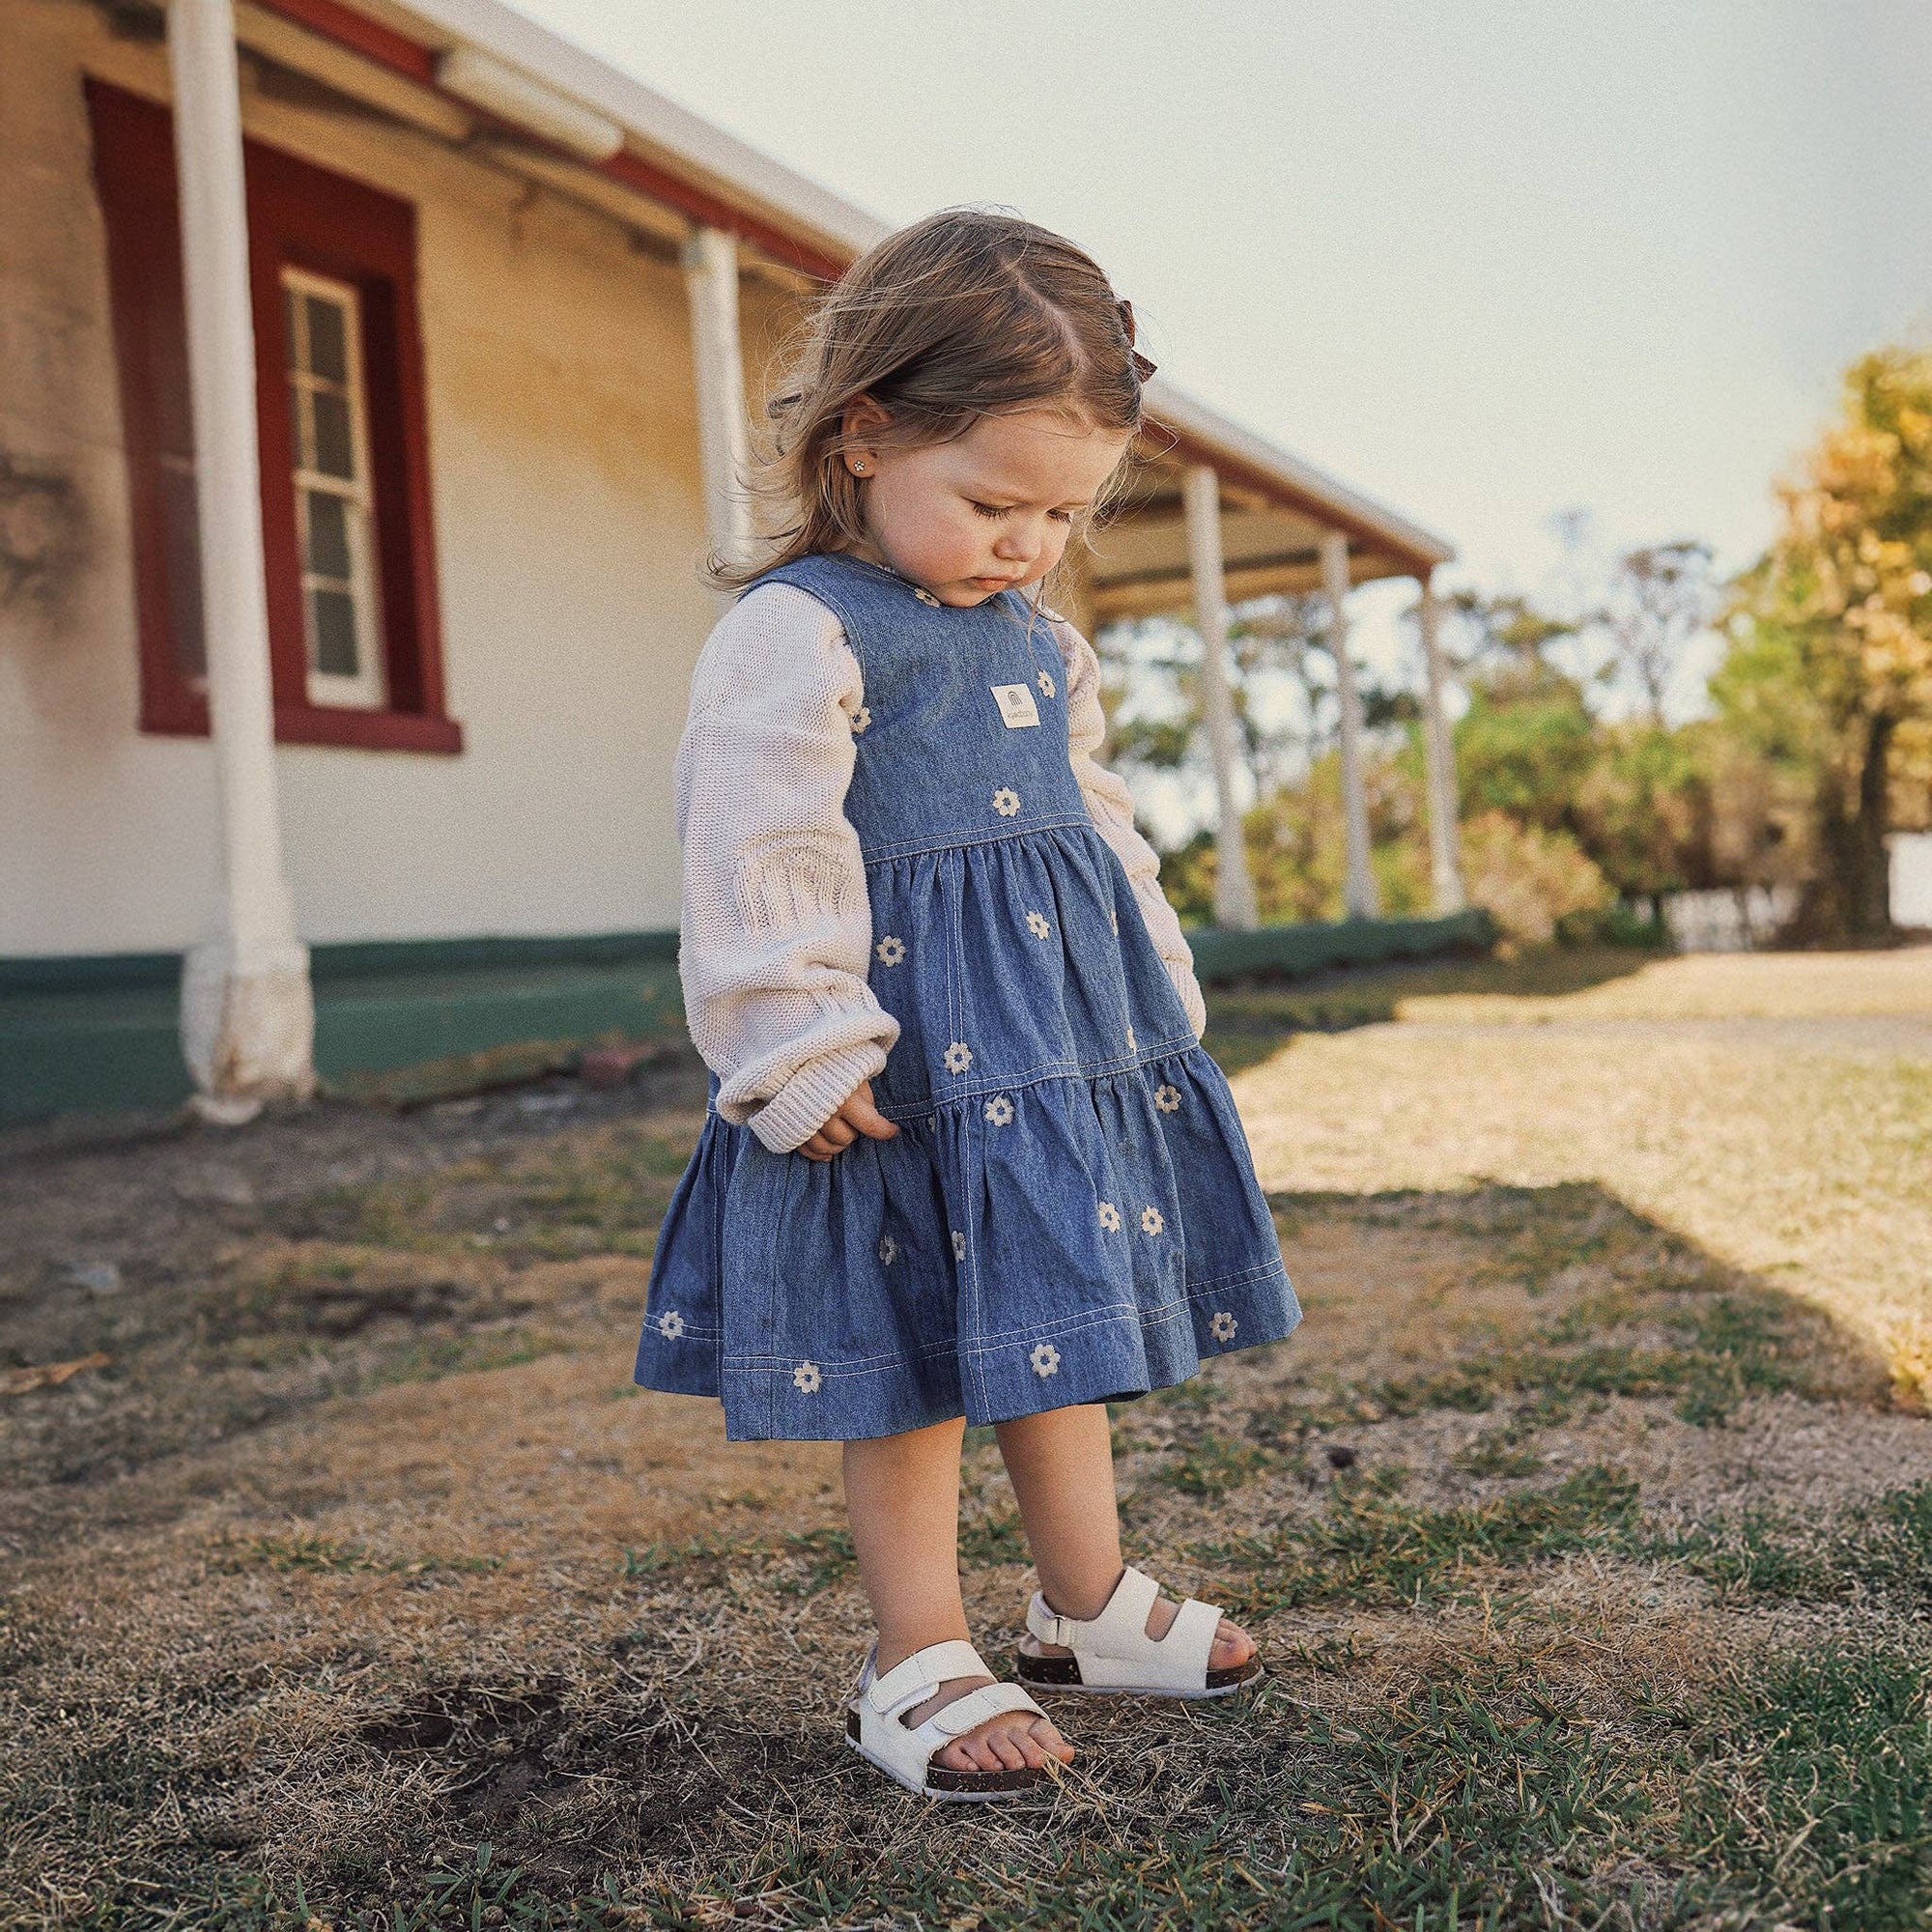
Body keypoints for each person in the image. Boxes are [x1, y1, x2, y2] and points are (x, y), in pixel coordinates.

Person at [635, 209, 1300, 1802]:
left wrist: (1152, 974)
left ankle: (1086, 1603)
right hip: (901, 1066)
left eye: (1061, 511)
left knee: (1057, 1323)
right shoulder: (796, 634)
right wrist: (794, 1037)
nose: (1026, 540)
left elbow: (1095, 816)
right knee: (922, 1350)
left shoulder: (1039, 640)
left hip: (1056, 1057)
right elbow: (755, 845)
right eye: (994, 499)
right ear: (863, 433)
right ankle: (914, 1647)